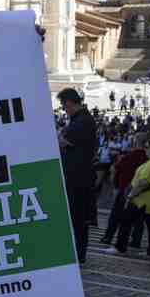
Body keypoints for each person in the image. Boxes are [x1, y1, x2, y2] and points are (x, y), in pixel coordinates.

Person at [104, 137, 150, 257]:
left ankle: (120, 247)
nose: (146, 150)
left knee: (126, 222)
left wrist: (131, 195)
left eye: (147, 147)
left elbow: (143, 183)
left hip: (142, 200)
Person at [57, 87, 98, 264]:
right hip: (76, 176)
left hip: (78, 178)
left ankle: (78, 253)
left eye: (64, 106)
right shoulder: (80, 120)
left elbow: (62, 139)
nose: (64, 110)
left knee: (78, 217)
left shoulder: (83, 122)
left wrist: (62, 138)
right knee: (75, 217)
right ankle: (76, 252)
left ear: (69, 103)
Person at [100, 132, 148, 246]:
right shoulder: (147, 159)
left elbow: (115, 170)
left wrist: (115, 185)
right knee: (138, 219)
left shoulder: (127, 157)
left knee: (115, 216)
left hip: (124, 191)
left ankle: (108, 237)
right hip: (140, 193)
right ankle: (136, 241)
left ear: (135, 142)